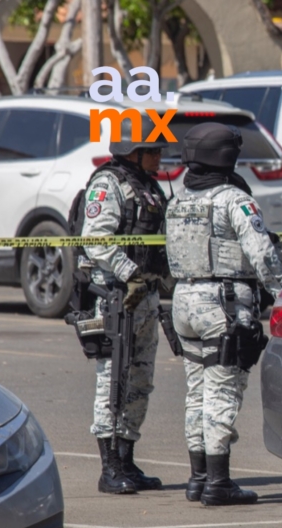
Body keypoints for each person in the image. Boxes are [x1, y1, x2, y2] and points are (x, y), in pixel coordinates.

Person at [166, 123, 282, 506]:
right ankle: (218, 483)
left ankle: (198, 478)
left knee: (197, 392)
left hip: (184, 302)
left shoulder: (178, 201)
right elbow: (262, 254)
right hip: (224, 304)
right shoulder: (234, 199)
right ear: (226, 156)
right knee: (221, 391)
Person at [81, 119, 170, 494]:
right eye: (154, 150)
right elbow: (95, 240)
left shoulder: (149, 186)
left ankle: (127, 458)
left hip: (145, 297)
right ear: (134, 152)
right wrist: (129, 272)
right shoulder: (108, 185)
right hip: (116, 296)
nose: (160, 156)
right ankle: (109, 467)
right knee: (112, 380)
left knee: (140, 381)